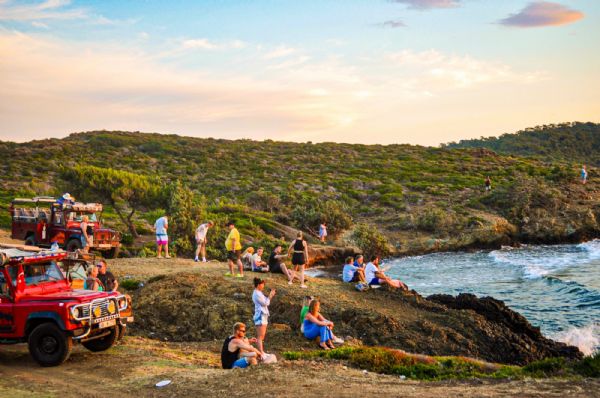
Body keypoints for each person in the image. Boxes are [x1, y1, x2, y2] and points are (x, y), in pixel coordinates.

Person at [252, 277, 275, 355]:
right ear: (258, 285)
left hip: (262, 315)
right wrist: (270, 295)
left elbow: (265, 301)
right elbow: (266, 303)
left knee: (262, 336)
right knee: (260, 336)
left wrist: (269, 296)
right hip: (260, 316)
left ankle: (262, 352)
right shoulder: (257, 294)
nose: (264, 285)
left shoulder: (258, 292)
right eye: (263, 284)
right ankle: (261, 353)